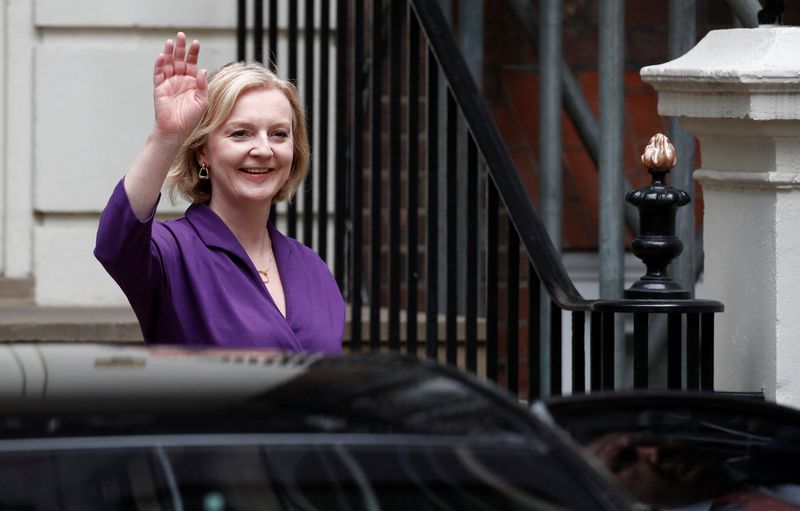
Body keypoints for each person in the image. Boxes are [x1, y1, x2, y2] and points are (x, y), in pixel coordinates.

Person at [95, 32, 344, 354]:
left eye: (279, 134)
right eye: (241, 133)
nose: (264, 149)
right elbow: (116, 242)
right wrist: (166, 136)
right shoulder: (173, 252)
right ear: (203, 152)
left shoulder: (312, 267)